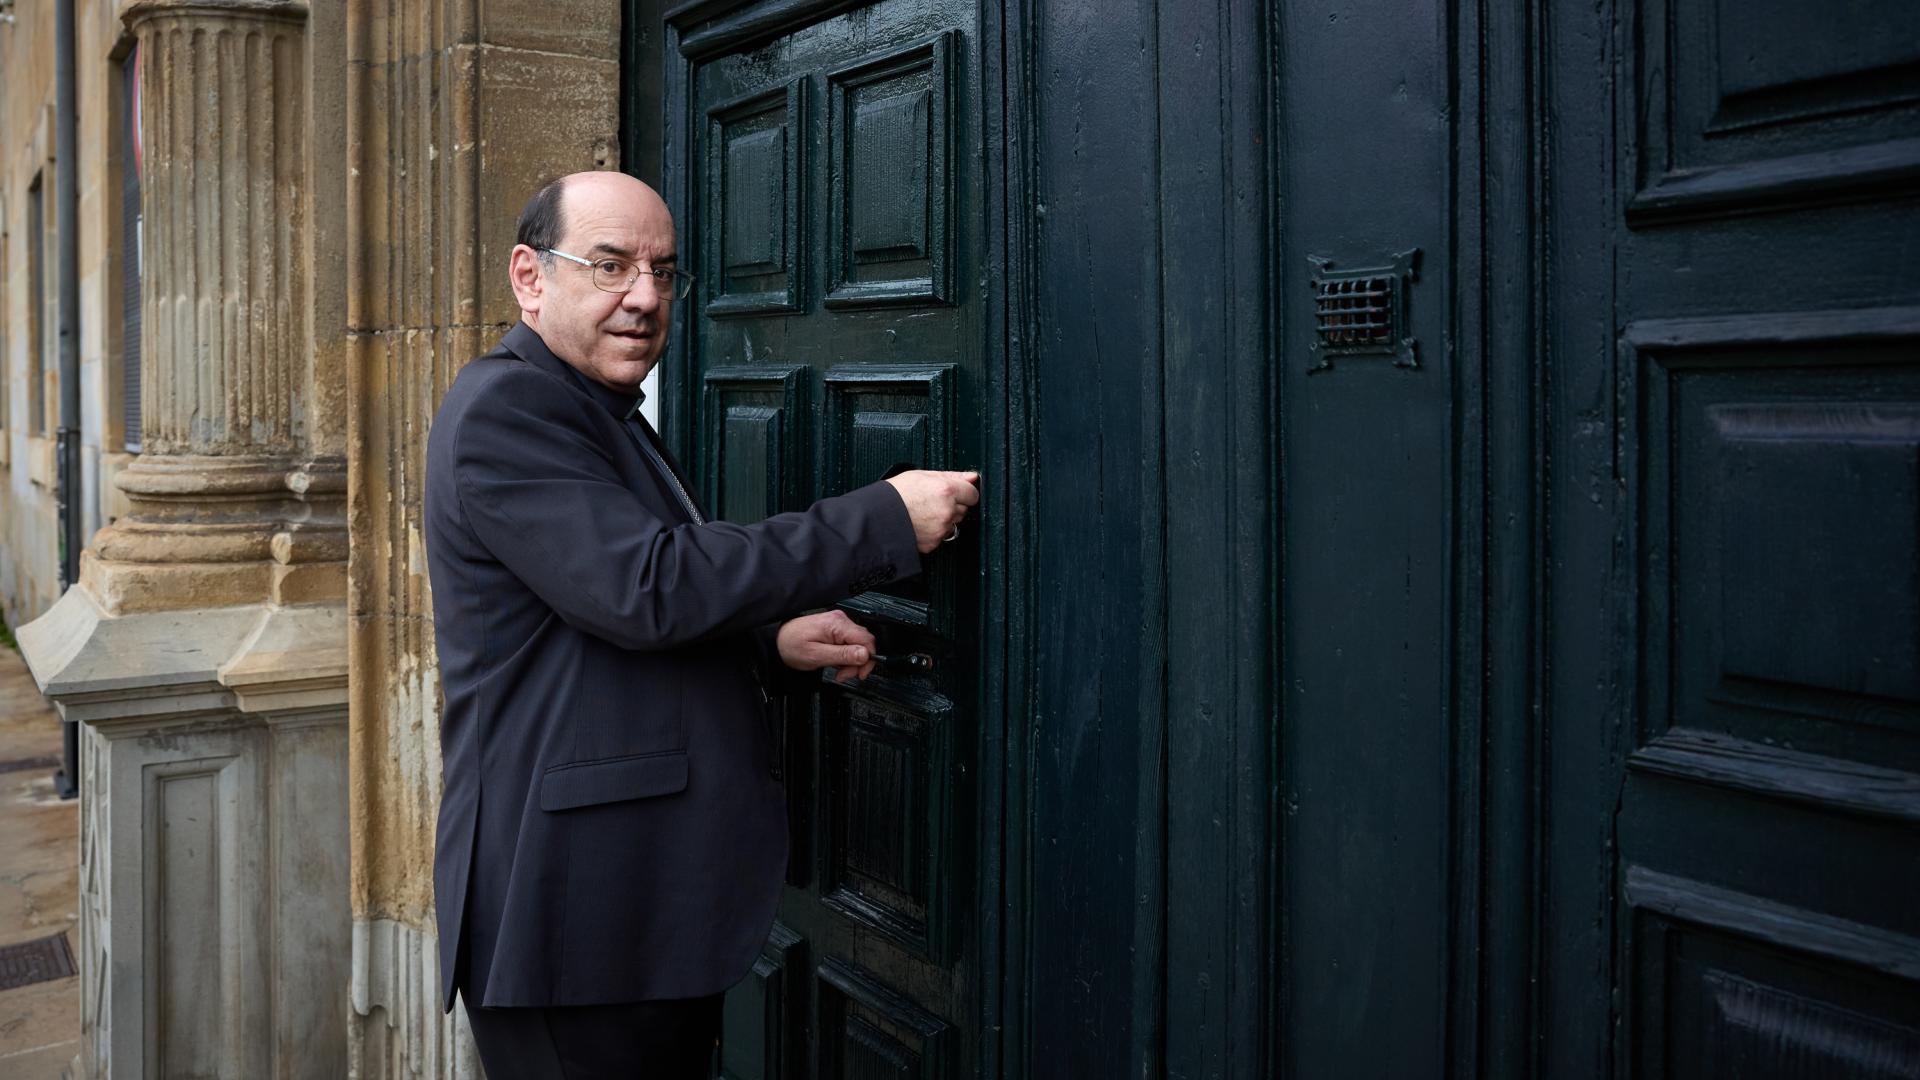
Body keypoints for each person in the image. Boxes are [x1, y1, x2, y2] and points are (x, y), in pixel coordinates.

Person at [423, 170, 979, 1077]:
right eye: (609, 266)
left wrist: (769, 639)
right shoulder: (507, 408)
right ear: (530, 276)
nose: (644, 297)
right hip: (578, 921)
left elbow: (584, 609)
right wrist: (880, 518)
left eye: (664, 271)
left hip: (624, 906)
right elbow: (646, 587)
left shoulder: (590, 404)